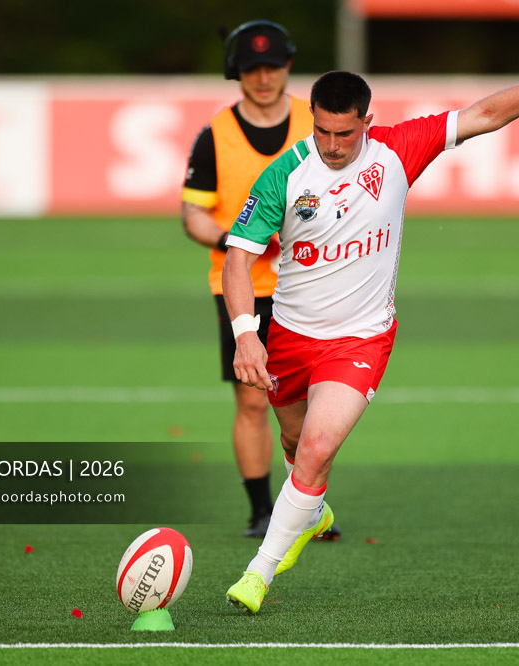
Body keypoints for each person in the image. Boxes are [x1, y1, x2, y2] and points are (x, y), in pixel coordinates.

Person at [221, 38, 519, 613]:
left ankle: (259, 571)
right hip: (288, 336)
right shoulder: (283, 177)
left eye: (347, 133)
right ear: (312, 119)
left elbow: (486, 113)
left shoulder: (396, 152)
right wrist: (245, 332)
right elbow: (237, 256)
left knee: (315, 448)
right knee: (294, 443)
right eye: (324, 132)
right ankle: (310, 511)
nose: (335, 146)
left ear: (369, 119)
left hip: (361, 339)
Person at [180, 20, 340, 541]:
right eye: (252, 68)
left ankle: (307, 509)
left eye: (273, 66)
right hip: (242, 284)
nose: (265, 77)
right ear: (236, 73)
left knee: (316, 403)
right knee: (253, 399)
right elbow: (193, 215)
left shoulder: (316, 123)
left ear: (289, 66)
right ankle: (261, 512)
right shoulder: (215, 136)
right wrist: (238, 238)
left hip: (311, 283)